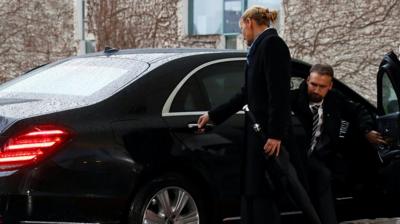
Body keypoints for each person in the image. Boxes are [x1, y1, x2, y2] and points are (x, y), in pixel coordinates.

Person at [198, 5, 320, 224]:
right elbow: (247, 93)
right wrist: (214, 115)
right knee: (254, 191)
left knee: (265, 190)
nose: (241, 34)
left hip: (267, 137)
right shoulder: (258, 47)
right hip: (258, 134)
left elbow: (279, 94)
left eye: (241, 28)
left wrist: (276, 135)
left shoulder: (273, 45)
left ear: (249, 22)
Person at [290, 64, 386, 224]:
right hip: (299, 155)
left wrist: (366, 130)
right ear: (307, 80)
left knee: (336, 175)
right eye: (313, 84)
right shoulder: (292, 99)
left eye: (322, 87)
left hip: (324, 156)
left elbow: (359, 110)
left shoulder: (334, 98)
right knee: (322, 175)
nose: (316, 90)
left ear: (330, 86)